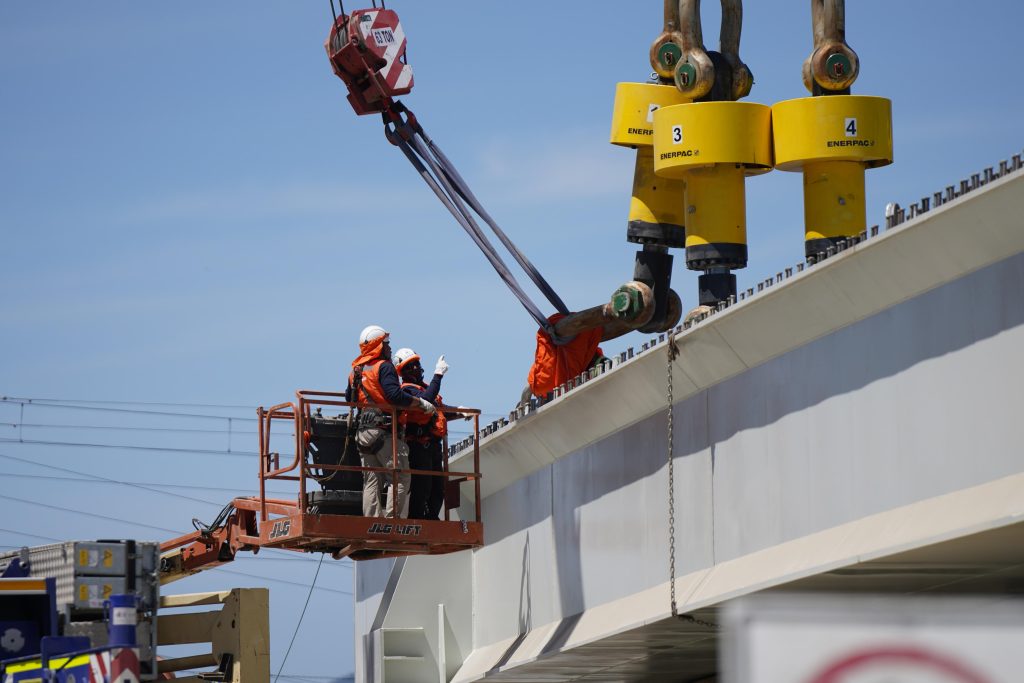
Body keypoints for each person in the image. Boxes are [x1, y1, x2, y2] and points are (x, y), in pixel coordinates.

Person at [346, 325, 435, 519]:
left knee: (371, 480)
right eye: (386, 343)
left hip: (363, 432)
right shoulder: (383, 367)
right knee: (399, 476)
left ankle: (372, 522)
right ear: (378, 345)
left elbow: (349, 398)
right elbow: (394, 395)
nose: (389, 347)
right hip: (385, 431)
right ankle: (392, 521)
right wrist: (419, 402)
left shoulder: (356, 370)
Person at [393, 347, 450, 520]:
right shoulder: (407, 390)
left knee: (438, 487)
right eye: (410, 366)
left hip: (433, 444)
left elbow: (437, 408)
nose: (415, 368)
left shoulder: (422, 388)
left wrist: (458, 412)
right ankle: (417, 518)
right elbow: (426, 399)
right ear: (403, 372)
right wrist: (438, 375)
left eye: (416, 364)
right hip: (418, 445)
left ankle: (432, 517)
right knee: (422, 485)